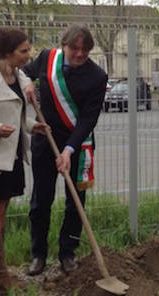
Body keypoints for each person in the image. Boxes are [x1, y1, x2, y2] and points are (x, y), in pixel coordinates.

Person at [22, 24, 107, 275]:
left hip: (78, 145)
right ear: (63, 45)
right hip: (45, 141)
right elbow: (23, 72)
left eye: (85, 50)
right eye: (74, 48)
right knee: (41, 200)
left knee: (75, 203)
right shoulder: (47, 58)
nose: (80, 54)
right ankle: (38, 255)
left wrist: (69, 150)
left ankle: (67, 253)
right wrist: (27, 83)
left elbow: (88, 120)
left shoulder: (98, 77)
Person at [0, 28, 47, 293]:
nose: (28, 55)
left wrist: (31, 125)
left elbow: (14, 113)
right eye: (23, 51)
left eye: (28, 49)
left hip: (12, 155)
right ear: (6, 52)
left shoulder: (16, 75)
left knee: (2, 212)